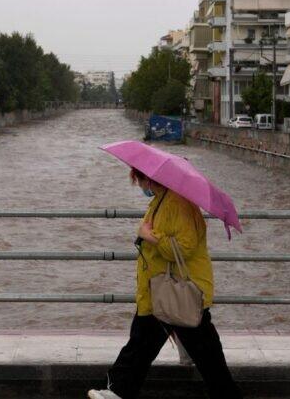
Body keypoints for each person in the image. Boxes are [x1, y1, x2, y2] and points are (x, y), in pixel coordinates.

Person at [88, 168, 243, 399]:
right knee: (151, 345)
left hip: (177, 291)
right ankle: (118, 390)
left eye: (139, 180)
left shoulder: (178, 204)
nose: (139, 186)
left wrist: (150, 237)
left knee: (189, 351)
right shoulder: (164, 200)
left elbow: (184, 247)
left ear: (149, 179)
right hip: (165, 290)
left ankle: (117, 391)